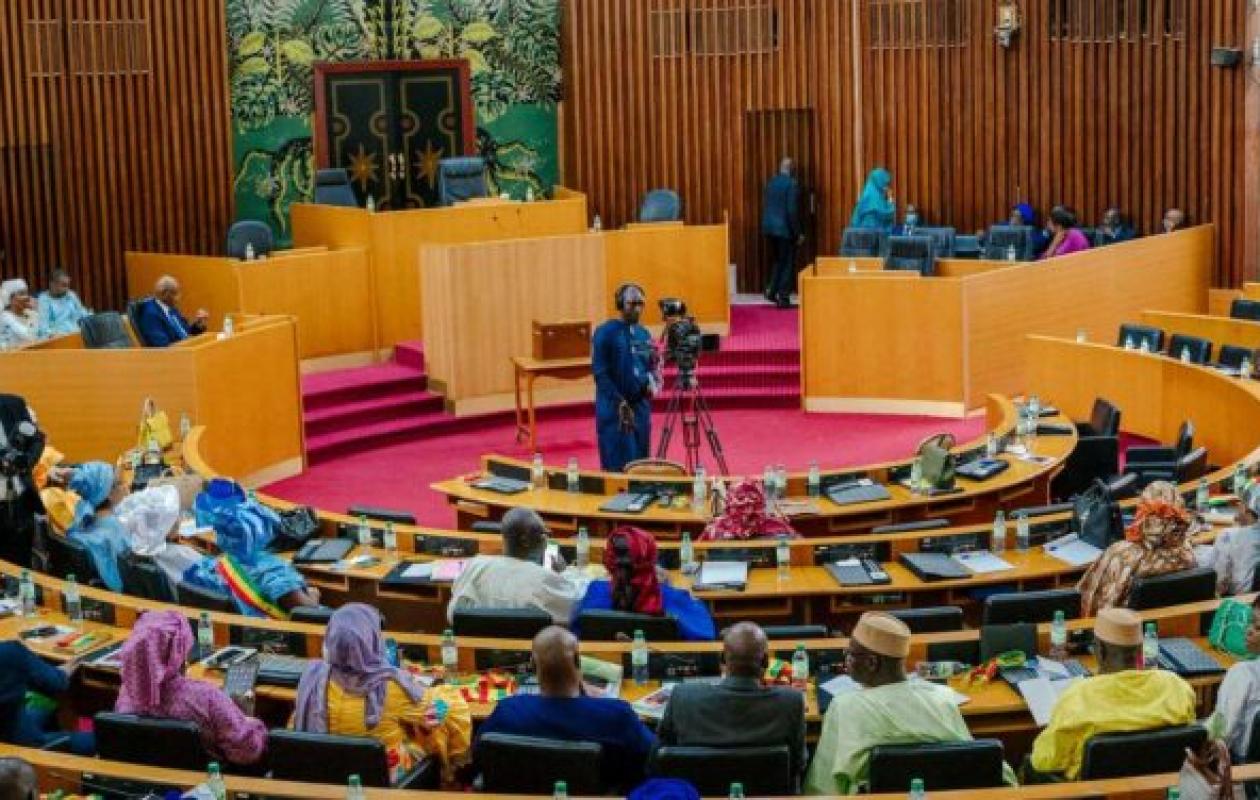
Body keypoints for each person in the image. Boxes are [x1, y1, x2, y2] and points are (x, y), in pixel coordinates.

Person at [805, 613, 1016, 794]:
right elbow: (975, 758)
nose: (845, 658)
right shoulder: (942, 696)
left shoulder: (844, 706)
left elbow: (824, 787)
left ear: (871, 662)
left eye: (850, 653)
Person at [293, 604, 471, 783]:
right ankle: (456, 779)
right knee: (438, 722)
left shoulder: (312, 677)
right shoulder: (388, 686)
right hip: (383, 778)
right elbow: (438, 711)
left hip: (327, 774)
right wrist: (446, 691)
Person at [475, 626, 655, 792]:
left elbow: (478, 755)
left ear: (533, 665)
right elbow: (654, 757)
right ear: (578, 662)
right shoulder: (617, 715)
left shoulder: (508, 711)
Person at [1028, 607, 1196, 780]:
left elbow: (1043, 762)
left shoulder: (1077, 697)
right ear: (1141, 651)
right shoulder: (1176, 687)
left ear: (1099, 650)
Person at [655, 622, 806, 788]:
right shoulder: (791, 701)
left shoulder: (682, 696)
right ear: (765, 662)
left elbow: (660, 757)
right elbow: (799, 763)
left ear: (722, 659)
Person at [116, 609, 267, 767]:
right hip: (204, 786)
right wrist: (246, 718)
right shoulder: (207, 696)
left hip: (146, 778)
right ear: (179, 652)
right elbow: (247, 753)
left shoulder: (126, 691)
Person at [181, 479, 319, 617]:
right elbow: (307, 613)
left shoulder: (208, 565)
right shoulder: (271, 571)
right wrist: (314, 596)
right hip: (273, 633)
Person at [574, 526, 715, 641]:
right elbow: (706, 640)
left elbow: (576, 632)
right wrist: (675, 590)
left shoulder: (595, 591)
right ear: (652, 560)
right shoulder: (674, 597)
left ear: (609, 562)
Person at [1077, 481, 1197, 616]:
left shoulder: (1122, 554)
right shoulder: (1187, 553)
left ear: (1143, 514)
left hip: (1123, 631)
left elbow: (1092, 602)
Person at [448, 507, 586, 624]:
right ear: (526, 541)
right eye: (545, 534)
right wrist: (565, 572)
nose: (547, 539)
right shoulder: (544, 578)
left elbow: (454, 609)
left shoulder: (475, 565)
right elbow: (575, 605)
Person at [592, 283, 656, 472]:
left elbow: (648, 368)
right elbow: (600, 373)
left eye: (640, 304)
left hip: (640, 409)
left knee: (641, 464)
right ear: (620, 304)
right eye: (631, 303)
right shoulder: (605, 332)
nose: (637, 309)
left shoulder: (644, 334)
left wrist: (652, 383)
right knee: (618, 467)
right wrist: (619, 402)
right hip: (615, 410)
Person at [0, 642, 93, 755]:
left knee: (43, 698)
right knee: (102, 739)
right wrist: (63, 671)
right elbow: (56, 683)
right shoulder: (10, 652)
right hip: (22, 747)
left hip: (14, 722)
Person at [113, 484, 204, 592]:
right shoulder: (183, 555)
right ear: (162, 527)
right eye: (175, 517)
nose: (179, 519)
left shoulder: (132, 552)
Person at [62, 462, 132, 593]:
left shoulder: (80, 524)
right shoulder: (117, 530)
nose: (127, 486)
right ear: (109, 494)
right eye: (122, 483)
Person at [1211, 596, 1260, 762]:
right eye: (1250, 622)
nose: (1248, 630)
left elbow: (1222, 733)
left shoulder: (1241, 674)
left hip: (1242, 765)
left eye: (1257, 627)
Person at [0, 396, 45, 567]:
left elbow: (37, 439)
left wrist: (25, 462)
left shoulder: (13, 404)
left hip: (20, 506)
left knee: (22, 566)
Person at [1196, 482, 1260, 596]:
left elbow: (1219, 585)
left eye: (1240, 503)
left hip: (1237, 600)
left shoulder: (1229, 536)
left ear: (1247, 509)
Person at [761, 157, 803, 309]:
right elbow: (791, 211)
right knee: (787, 262)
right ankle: (783, 297)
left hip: (769, 228)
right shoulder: (791, 184)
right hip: (784, 229)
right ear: (792, 169)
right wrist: (798, 233)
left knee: (779, 260)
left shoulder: (771, 182)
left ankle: (772, 291)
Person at [133, 275, 208, 347]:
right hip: (172, 356)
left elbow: (186, 331)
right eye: (176, 293)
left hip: (185, 350)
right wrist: (188, 344)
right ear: (165, 294)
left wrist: (198, 325)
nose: (179, 297)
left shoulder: (171, 309)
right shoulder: (151, 314)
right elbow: (162, 345)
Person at [35, 269, 90, 338]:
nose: (67, 289)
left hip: (78, 334)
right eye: (64, 285)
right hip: (58, 338)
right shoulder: (44, 299)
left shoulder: (71, 295)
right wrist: (53, 335)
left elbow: (82, 313)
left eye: (68, 285)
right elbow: (43, 327)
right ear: (52, 284)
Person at [0, 280, 37, 348]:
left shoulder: (30, 313)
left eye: (27, 293)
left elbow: (46, 332)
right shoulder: (5, 317)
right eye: (22, 294)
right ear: (11, 299)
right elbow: (29, 336)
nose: (27, 297)